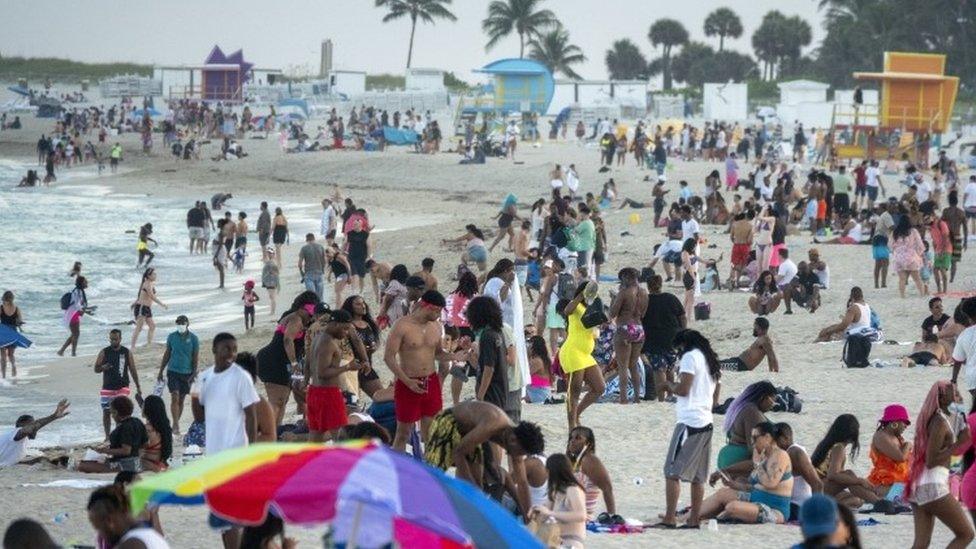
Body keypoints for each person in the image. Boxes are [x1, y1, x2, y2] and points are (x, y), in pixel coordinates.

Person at [192, 332, 259, 548]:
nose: (231, 353)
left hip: (236, 455)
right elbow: (199, 418)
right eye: (226, 348)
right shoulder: (205, 377)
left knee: (231, 514)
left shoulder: (241, 377)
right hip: (214, 456)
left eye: (234, 349)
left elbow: (251, 415)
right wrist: (194, 395)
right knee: (221, 514)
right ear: (214, 350)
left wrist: (252, 449)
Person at [425, 400, 544, 512]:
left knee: (478, 482)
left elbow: (522, 483)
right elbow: (459, 452)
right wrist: (472, 488)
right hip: (449, 423)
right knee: (433, 475)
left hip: (472, 435)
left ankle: (463, 512)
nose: (517, 457)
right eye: (519, 453)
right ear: (513, 440)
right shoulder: (494, 423)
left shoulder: (517, 443)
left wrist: (526, 515)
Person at [657, 329, 721, 529]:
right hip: (706, 421)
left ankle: (669, 518)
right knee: (698, 476)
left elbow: (684, 389)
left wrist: (668, 385)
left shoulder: (690, 357)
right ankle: (694, 519)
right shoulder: (710, 359)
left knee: (671, 471)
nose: (678, 353)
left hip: (689, 421)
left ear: (684, 344)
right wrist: (709, 403)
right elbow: (717, 388)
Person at [907, 380, 975, 549]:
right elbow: (931, 460)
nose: (960, 398)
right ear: (943, 398)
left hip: (919, 484)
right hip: (932, 485)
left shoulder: (938, 419)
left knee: (921, 543)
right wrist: (957, 444)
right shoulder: (940, 422)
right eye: (956, 394)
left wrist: (960, 441)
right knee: (966, 534)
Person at [384, 290, 453, 452]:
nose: (438, 315)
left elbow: (438, 354)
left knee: (430, 432)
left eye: (440, 311)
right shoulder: (402, 325)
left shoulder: (436, 326)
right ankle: (398, 470)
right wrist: (407, 381)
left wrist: (458, 356)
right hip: (408, 383)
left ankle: (430, 471)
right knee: (403, 432)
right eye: (436, 311)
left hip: (431, 381)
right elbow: (389, 357)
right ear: (425, 306)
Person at [699, 422, 794, 525]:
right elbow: (752, 486)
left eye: (755, 438)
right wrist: (732, 484)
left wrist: (758, 464)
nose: (752, 442)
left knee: (733, 507)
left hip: (774, 510)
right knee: (723, 493)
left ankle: (716, 519)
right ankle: (688, 516)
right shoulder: (762, 454)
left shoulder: (780, 455)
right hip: (755, 499)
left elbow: (770, 483)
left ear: (767, 437)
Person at [257, 294, 317, 425]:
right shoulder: (296, 319)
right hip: (274, 362)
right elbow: (287, 340)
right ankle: (268, 434)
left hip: (281, 363)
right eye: (310, 313)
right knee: (277, 401)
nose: (311, 317)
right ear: (301, 308)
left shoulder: (300, 320)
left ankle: (274, 434)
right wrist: (294, 362)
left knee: (283, 401)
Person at [306, 309, 362, 441]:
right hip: (328, 394)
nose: (346, 333)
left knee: (315, 437)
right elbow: (323, 373)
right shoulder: (328, 343)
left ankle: (310, 462)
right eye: (345, 329)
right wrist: (348, 367)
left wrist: (305, 380)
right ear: (336, 324)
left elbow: (308, 362)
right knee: (340, 436)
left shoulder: (317, 338)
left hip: (314, 392)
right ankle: (342, 462)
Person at [811, 414, 885, 510]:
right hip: (818, 489)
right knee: (849, 474)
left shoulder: (826, 444)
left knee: (856, 499)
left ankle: (831, 508)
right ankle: (880, 503)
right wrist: (860, 481)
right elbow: (833, 475)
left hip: (817, 489)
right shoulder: (838, 448)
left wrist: (862, 485)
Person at [558, 281, 606, 429]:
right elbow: (567, 310)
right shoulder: (576, 306)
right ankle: (572, 424)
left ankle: (577, 413)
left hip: (585, 354)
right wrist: (580, 296)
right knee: (574, 391)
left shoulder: (591, 308)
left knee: (599, 387)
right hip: (573, 352)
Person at [640, 274, 686, 402]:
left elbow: (639, 318)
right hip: (672, 337)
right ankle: (671, 395)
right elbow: (682, 316)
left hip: (653, 339)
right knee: (670, 366)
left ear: (648, 286)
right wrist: (683, 332)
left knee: (659, 369)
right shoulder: (671, 298)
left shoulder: (646, 301)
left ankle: (661, 398)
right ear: (661, 284)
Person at [715, 381, 777, 472]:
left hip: (729, 456)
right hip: (739, 459)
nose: (773, 404)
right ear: (763, 397)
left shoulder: (741, 407)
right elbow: (755, 448)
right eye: (772, 400)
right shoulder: (751, 412)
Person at [529, 454, 586, 549]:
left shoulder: (573, 489)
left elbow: (581, 515)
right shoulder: (556, 491)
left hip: (572, 544)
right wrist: (535, 510)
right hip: (557, 541)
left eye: (547, 471)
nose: (546, 474)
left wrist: (551, 513)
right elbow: (545, 512)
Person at [154, 315, 198, 438]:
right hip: (173, 371)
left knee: (182, 399)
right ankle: (176, 425)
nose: (180, 325)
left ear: (187, 324)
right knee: (175, 396)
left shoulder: (194, 339)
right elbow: (167, 353)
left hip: (187, 373)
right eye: (178, 323)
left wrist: (194, 373)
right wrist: (161, 371)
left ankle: (175, 423)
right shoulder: (172, 337)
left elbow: (195, 357)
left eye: (182, 323)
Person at [78, 396, 147, 473]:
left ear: (116, 412)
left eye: (112, 413)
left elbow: (126, 451)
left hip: (124, 465)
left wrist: (105, 451)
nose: (112, 416)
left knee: (83, 465)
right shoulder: (138, 422)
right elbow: (145, 444)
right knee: (95, 462)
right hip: (137, 463)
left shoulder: (124, 427)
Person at [609, 268, 648, 404]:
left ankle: (623, 398)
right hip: (639, 328)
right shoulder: (644, 293)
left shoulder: (624, 292)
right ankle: (637, 397)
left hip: (625, 328)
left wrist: (613, 299)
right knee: (633, 365)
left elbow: (612, 313)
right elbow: (643, 314)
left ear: (626, 277)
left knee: (623, 366)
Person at [87, 485, 170, 548]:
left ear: (110, 521)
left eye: (99, 528)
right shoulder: (150, 535)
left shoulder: (132, 544)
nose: (101, 534)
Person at [94, 329, 141, 441]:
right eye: (111, 339)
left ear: (120, 339)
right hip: (107, 387)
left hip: (122, 386)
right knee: (106, 412)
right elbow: (96, 368)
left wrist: (138, 385)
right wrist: (102, 368)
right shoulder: (104, 352)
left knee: (120, 411)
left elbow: (133, 369)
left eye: (115, 339)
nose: (113, 341)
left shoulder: (126, 352)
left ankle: (120, 434)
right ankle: (107, 436)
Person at [772, 423, 824, 521]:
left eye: (775, 441)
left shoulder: (795, 453)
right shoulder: (785, 453)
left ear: (786, 438)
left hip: (797, 507)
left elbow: (817, 484)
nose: (773, 445)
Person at [565, 426, 617, 523]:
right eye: (571, 438)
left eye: (578, 438)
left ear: (588, 443)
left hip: (582, 518)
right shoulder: (577, 462)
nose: (572, 441)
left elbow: (607, 488)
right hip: (574, 515)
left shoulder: (589, 460)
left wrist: (612, 515)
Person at [0, 399, 70, 467]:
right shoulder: (16, 434)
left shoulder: (16, 440)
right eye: (32, 424)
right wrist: (54, 416)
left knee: (41, 460)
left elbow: (12, 461)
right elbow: (31, 428)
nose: (35, 429)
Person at [867, 404, 912, 496]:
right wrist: (908, 445)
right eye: (904, 422)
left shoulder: (897, 438)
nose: (906, 426)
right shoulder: (881, 436)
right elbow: (900, 457)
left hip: (900, 482)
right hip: (884, 483)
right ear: (894, 423)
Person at [890, 214, 927, 298]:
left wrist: (896, 251)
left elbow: (890, 245)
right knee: (917, 278)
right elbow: (919, 244)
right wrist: (919, 254)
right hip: (911, 257)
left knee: (902, 279)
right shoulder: (913, 231)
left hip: (898, 257)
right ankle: (922, 294)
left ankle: (902, 296)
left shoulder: (895, 232)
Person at [58, 275, 90, 357]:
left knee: (74, 334)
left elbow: (78, 304)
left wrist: (84, 310)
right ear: (82, 283)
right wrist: (83, 311)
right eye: (85, 282)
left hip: (73, 314)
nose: (87, 283)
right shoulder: (78, 291)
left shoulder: (79, 291)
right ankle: (73, 353)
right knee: (76, 334)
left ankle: (62, 351)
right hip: (73, 314)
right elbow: (76, 304)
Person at [140, 395, 172, 473]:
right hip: (161, 465)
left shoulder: (146, 430)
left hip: (149, 468)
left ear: (148, 409)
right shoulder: (164, 428)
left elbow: (136, 452)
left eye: (143, 405)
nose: (141, 407)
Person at [0, 291, 23, 378]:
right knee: (11, 354)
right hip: (13, 332)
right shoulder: (16, 308)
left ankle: (3, 377)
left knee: (3, 356)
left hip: (3, 333)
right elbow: (20, 321)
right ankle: (13, 367)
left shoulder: (1, 308)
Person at [298, 233, 327, 301]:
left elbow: (300, 264)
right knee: (320, 297)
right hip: (319, 273)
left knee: (311, 297)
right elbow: (324, 260)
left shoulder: (304, 248)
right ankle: (321, 310)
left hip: (309, 274)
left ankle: (313, 311)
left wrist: (302, 273)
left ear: (307, 240)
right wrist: (322, 269)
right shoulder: (320, 247)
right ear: (314, 239)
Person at [525, 335, 552, 404]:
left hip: (538, 392)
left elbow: (525, 375)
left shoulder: (537, 361)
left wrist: (527, 355)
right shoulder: (544, 359)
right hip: (541, 390)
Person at [679, 238, 699, 322]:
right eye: (694, 246)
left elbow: (702, 260)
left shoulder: (691, 253)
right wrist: (694, 279)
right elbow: (689, 267)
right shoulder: (685, 253)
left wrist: (715, 261)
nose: (695, 247)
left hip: (691, 275)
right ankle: (689, 319)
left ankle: (681, 317)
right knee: (691, 299)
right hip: (689, 276)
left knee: (687, 299)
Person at [261, 247, 280, 317]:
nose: (269, 254)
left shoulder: (273, 262)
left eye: (270, 253)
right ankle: (272, 311)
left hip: (272, 281)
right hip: (268, 281)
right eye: (268, 253)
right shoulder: (268, 261)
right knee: (271, 296)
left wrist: (272, 273)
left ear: (273, 254)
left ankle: (273, 311)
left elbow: (277, 272)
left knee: (272, 297)